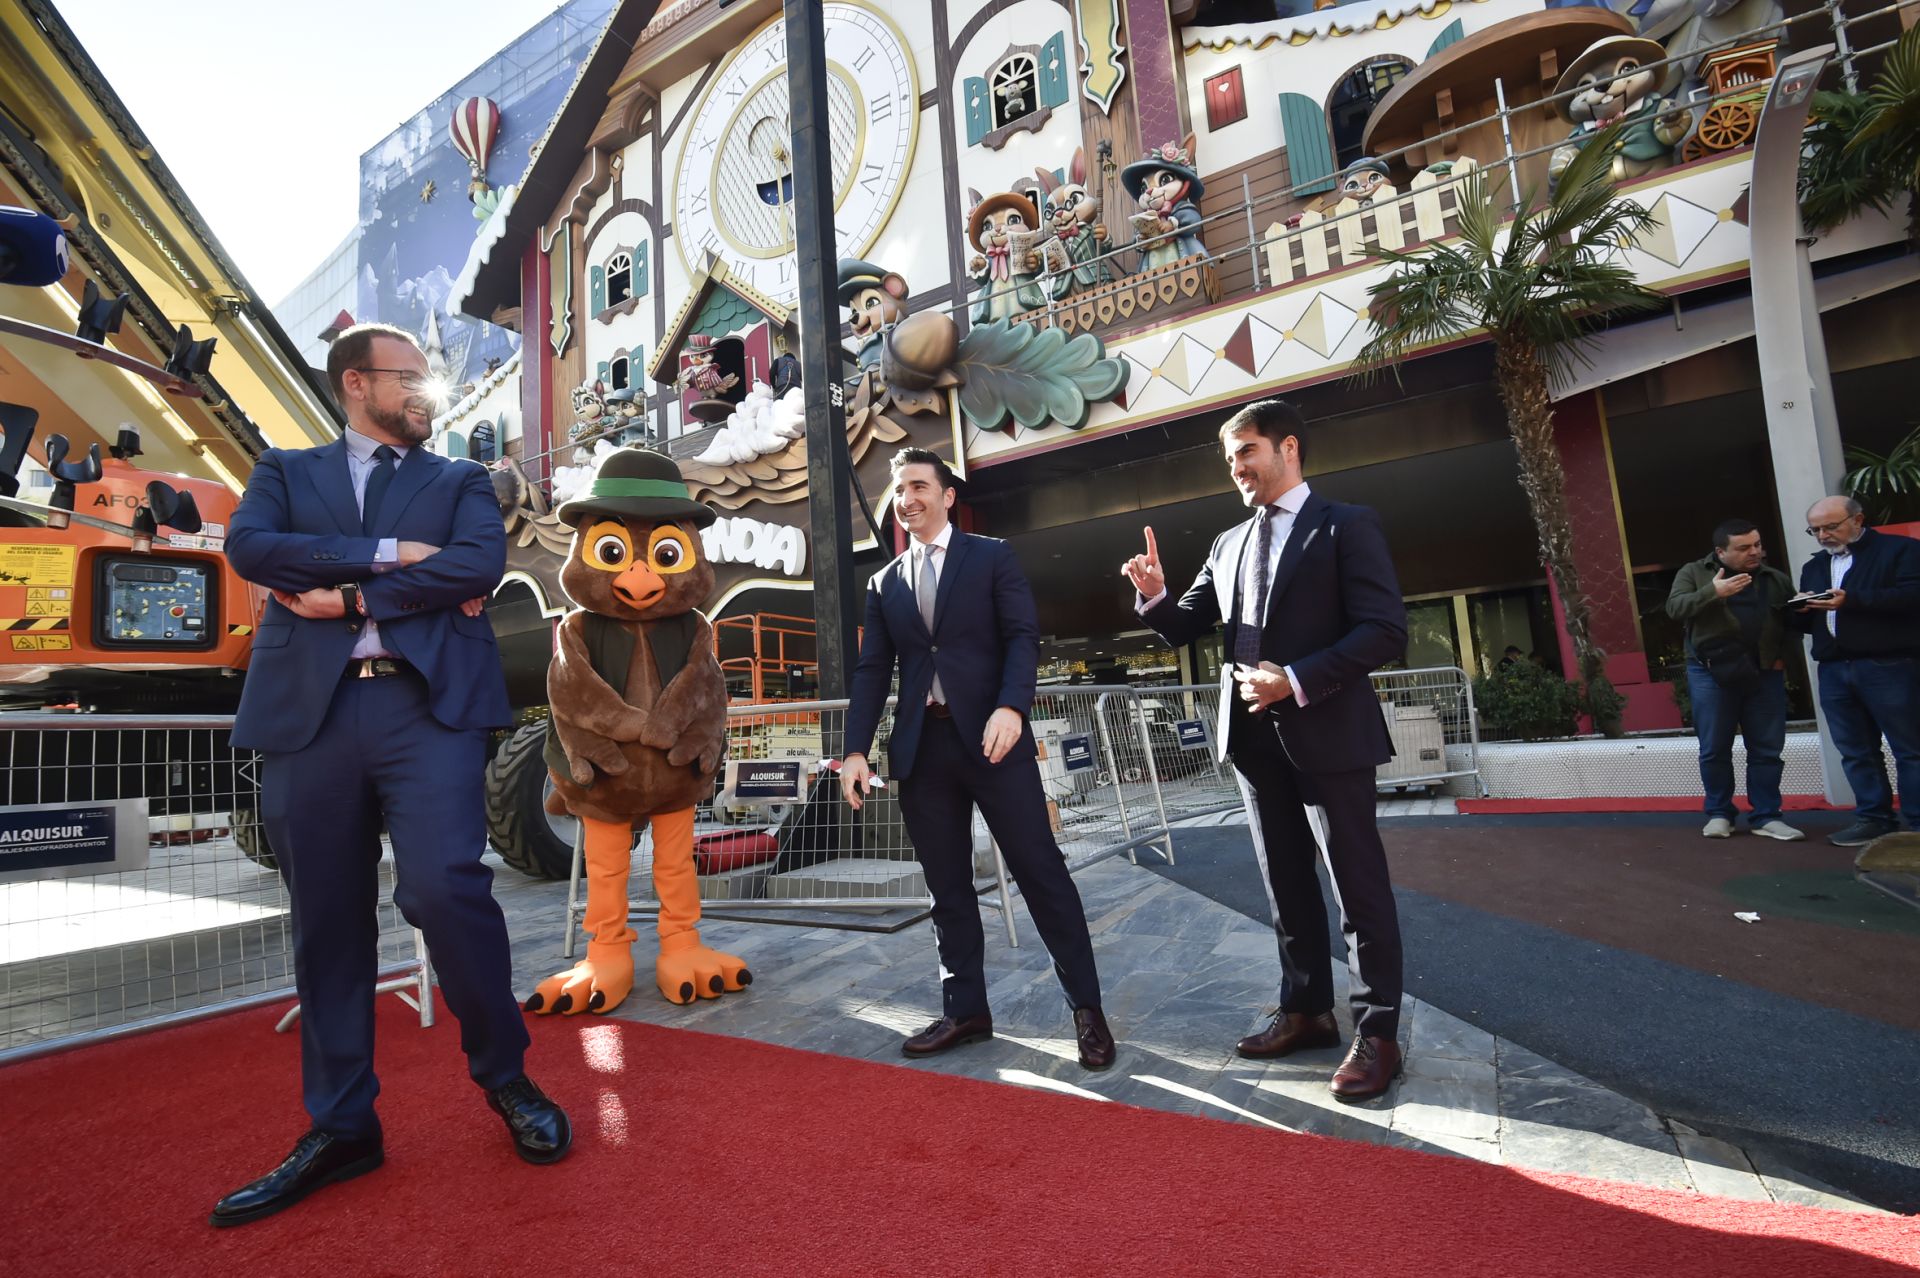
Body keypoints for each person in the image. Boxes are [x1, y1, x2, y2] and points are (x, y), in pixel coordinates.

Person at [214, 324, 569, 1227]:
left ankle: (507, 1078)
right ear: (355, 384)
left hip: (427, 709)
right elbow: (254, 550)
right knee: (326, 919)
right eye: (408, 378)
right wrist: (396, 558)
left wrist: (354, 595)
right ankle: (342, 1129)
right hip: (313, 716)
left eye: (429, 379)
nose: (425, 393)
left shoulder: (458, 481)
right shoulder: (284, 471)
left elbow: (477, 564)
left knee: (447, 888)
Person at [1122, 399, 1409, 1101]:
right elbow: (1186, 624)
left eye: (1247, 451)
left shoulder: (1348, 525)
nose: (1238, 468)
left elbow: (1383, 630)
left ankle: (1377, 1033)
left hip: (1330, 732)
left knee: (1357, 889)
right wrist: (1156, 598)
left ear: (1289, 449)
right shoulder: (1227, 544)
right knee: (1286, 887)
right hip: (1252, 741)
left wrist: (1299, 680)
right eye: (1230, 459)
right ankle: (1307, 1010)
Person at [842, 448, 1114, 1070]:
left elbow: (1022, 637)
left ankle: (1087, 1011)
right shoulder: (884, 583)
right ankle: (966, 1010)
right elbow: (871, 671)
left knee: (1042, 873)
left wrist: (1013, 707)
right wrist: (855, 750)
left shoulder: (991, 556)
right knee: (948, 889)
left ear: (945, 496)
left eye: (918, 486)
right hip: (923, 750)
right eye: (899, 489)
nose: (907, 499)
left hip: (996, 743)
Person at [1787, 496, 1920, 847]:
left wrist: (1853, 600)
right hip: (1833, 668)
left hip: (1888, 664)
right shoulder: (1814, 566)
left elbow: (1913, 597)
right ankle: (1875, 819)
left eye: (1831, 527)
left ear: (1858, 519)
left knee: (1909, 748)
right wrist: (1797, 611)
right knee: (1856, 750)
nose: (1822, 535)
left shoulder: (1900, 551)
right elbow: (1813, 621)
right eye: (1815, 529)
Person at [1664, 519, 1803, 841]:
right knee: (1714, 747)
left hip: (1765, 670)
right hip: (1711, 670)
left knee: (1767, 748)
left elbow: (1791, 623)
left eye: (1756, 545)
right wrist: (1714, 591)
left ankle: (1767, 816)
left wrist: (1803, 607)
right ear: (1721, 552)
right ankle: (1719, 813)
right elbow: (1675, 608)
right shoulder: (1695, 572)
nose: (1754, 552)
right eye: (1743, 548)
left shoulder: (1774, 578)